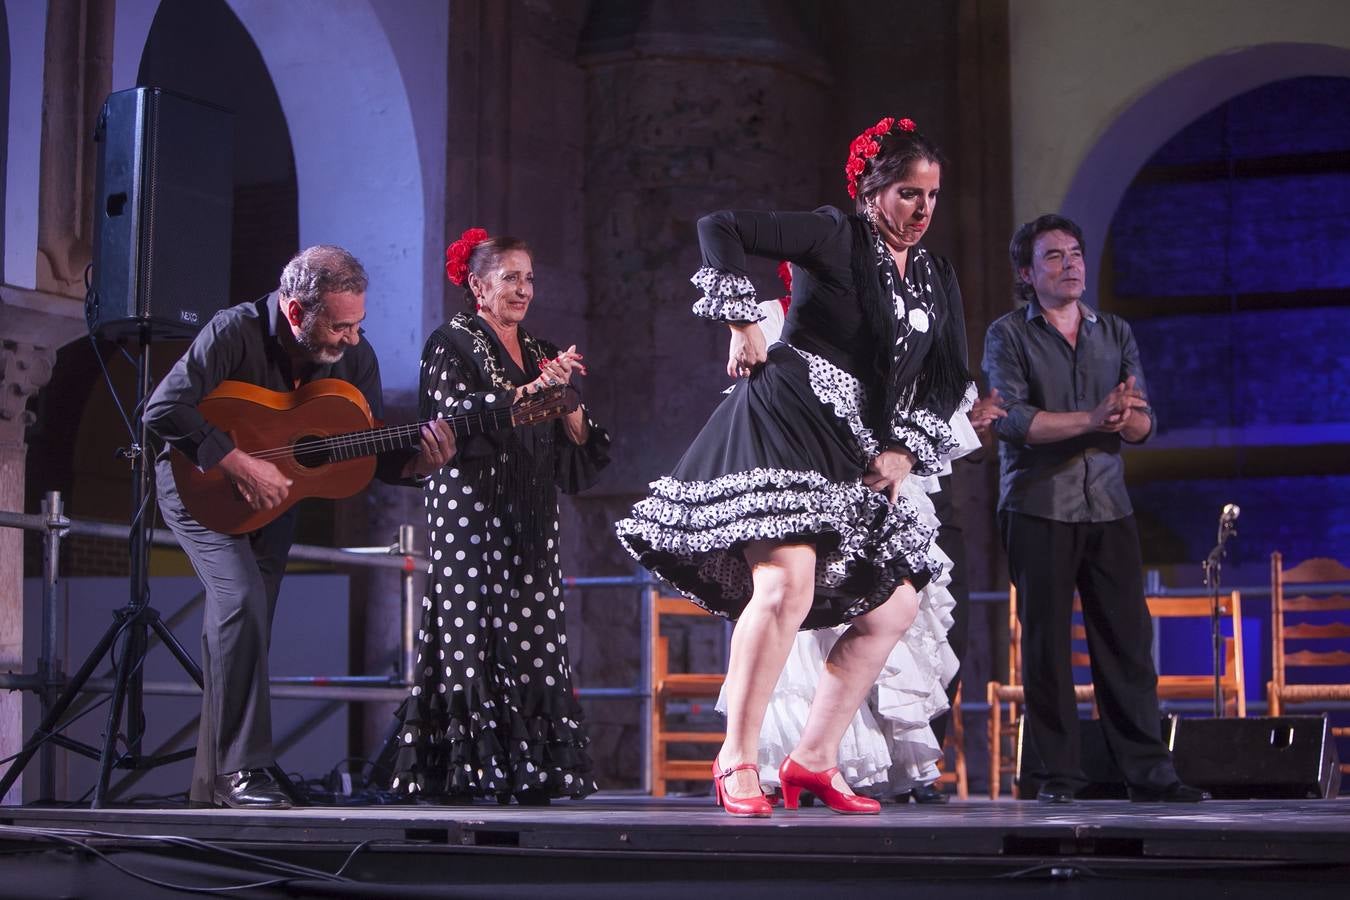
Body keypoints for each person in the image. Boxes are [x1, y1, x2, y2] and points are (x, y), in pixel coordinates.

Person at [617, 116, 972, 817]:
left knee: (895, 604)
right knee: (785, 587)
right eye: (908, 193)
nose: (922, 209)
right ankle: (735, 759)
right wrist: (742, 319)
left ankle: (812, 760)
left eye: (932, 195)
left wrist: (905, 447)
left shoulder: (934, 274)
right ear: (874, 192)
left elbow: (946, 375)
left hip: (854, 445)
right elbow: (721, 225)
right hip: (787, 416)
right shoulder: (834, 233)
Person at [145, 245, 456, 809]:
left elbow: (369, 452)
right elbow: (162, 410)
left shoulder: (355, 360)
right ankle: (245, 771)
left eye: (358, 324)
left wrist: (417, 463)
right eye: (340, 327)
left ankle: (214, 785)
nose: (353, 340)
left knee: (247, 626)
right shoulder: (232, 332)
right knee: (239, 602)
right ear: (295, 312)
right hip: (200, 488)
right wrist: (236, 461)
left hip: (277, 500)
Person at [983, 214, 1208, 803]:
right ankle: (1055, 777)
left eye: (1075, 253)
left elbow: (1142, 422)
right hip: (1039, 507)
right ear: (1028, 274)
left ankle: (1150, 774)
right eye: (1054, 256)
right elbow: (1012, 420)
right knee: (1047, 650)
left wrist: (1124, 418)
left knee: (1128, 644)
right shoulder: (1008, 335)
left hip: (1109, 505)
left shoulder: (1114, 332)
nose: (1071, 264)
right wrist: (1090, 420)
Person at [388, 228, 610, 805]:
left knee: (535, 632)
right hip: (470, 507)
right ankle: (470, 770)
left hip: (530, 512)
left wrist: (569, 403)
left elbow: (580, 440)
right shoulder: (450, 342)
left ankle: (532, 770)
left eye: (529, 277)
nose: (524, 289)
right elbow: (456, 417)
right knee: (471, 628)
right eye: (511, 277)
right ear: (478, 286)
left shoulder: (541, 351)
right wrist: (531, 393)